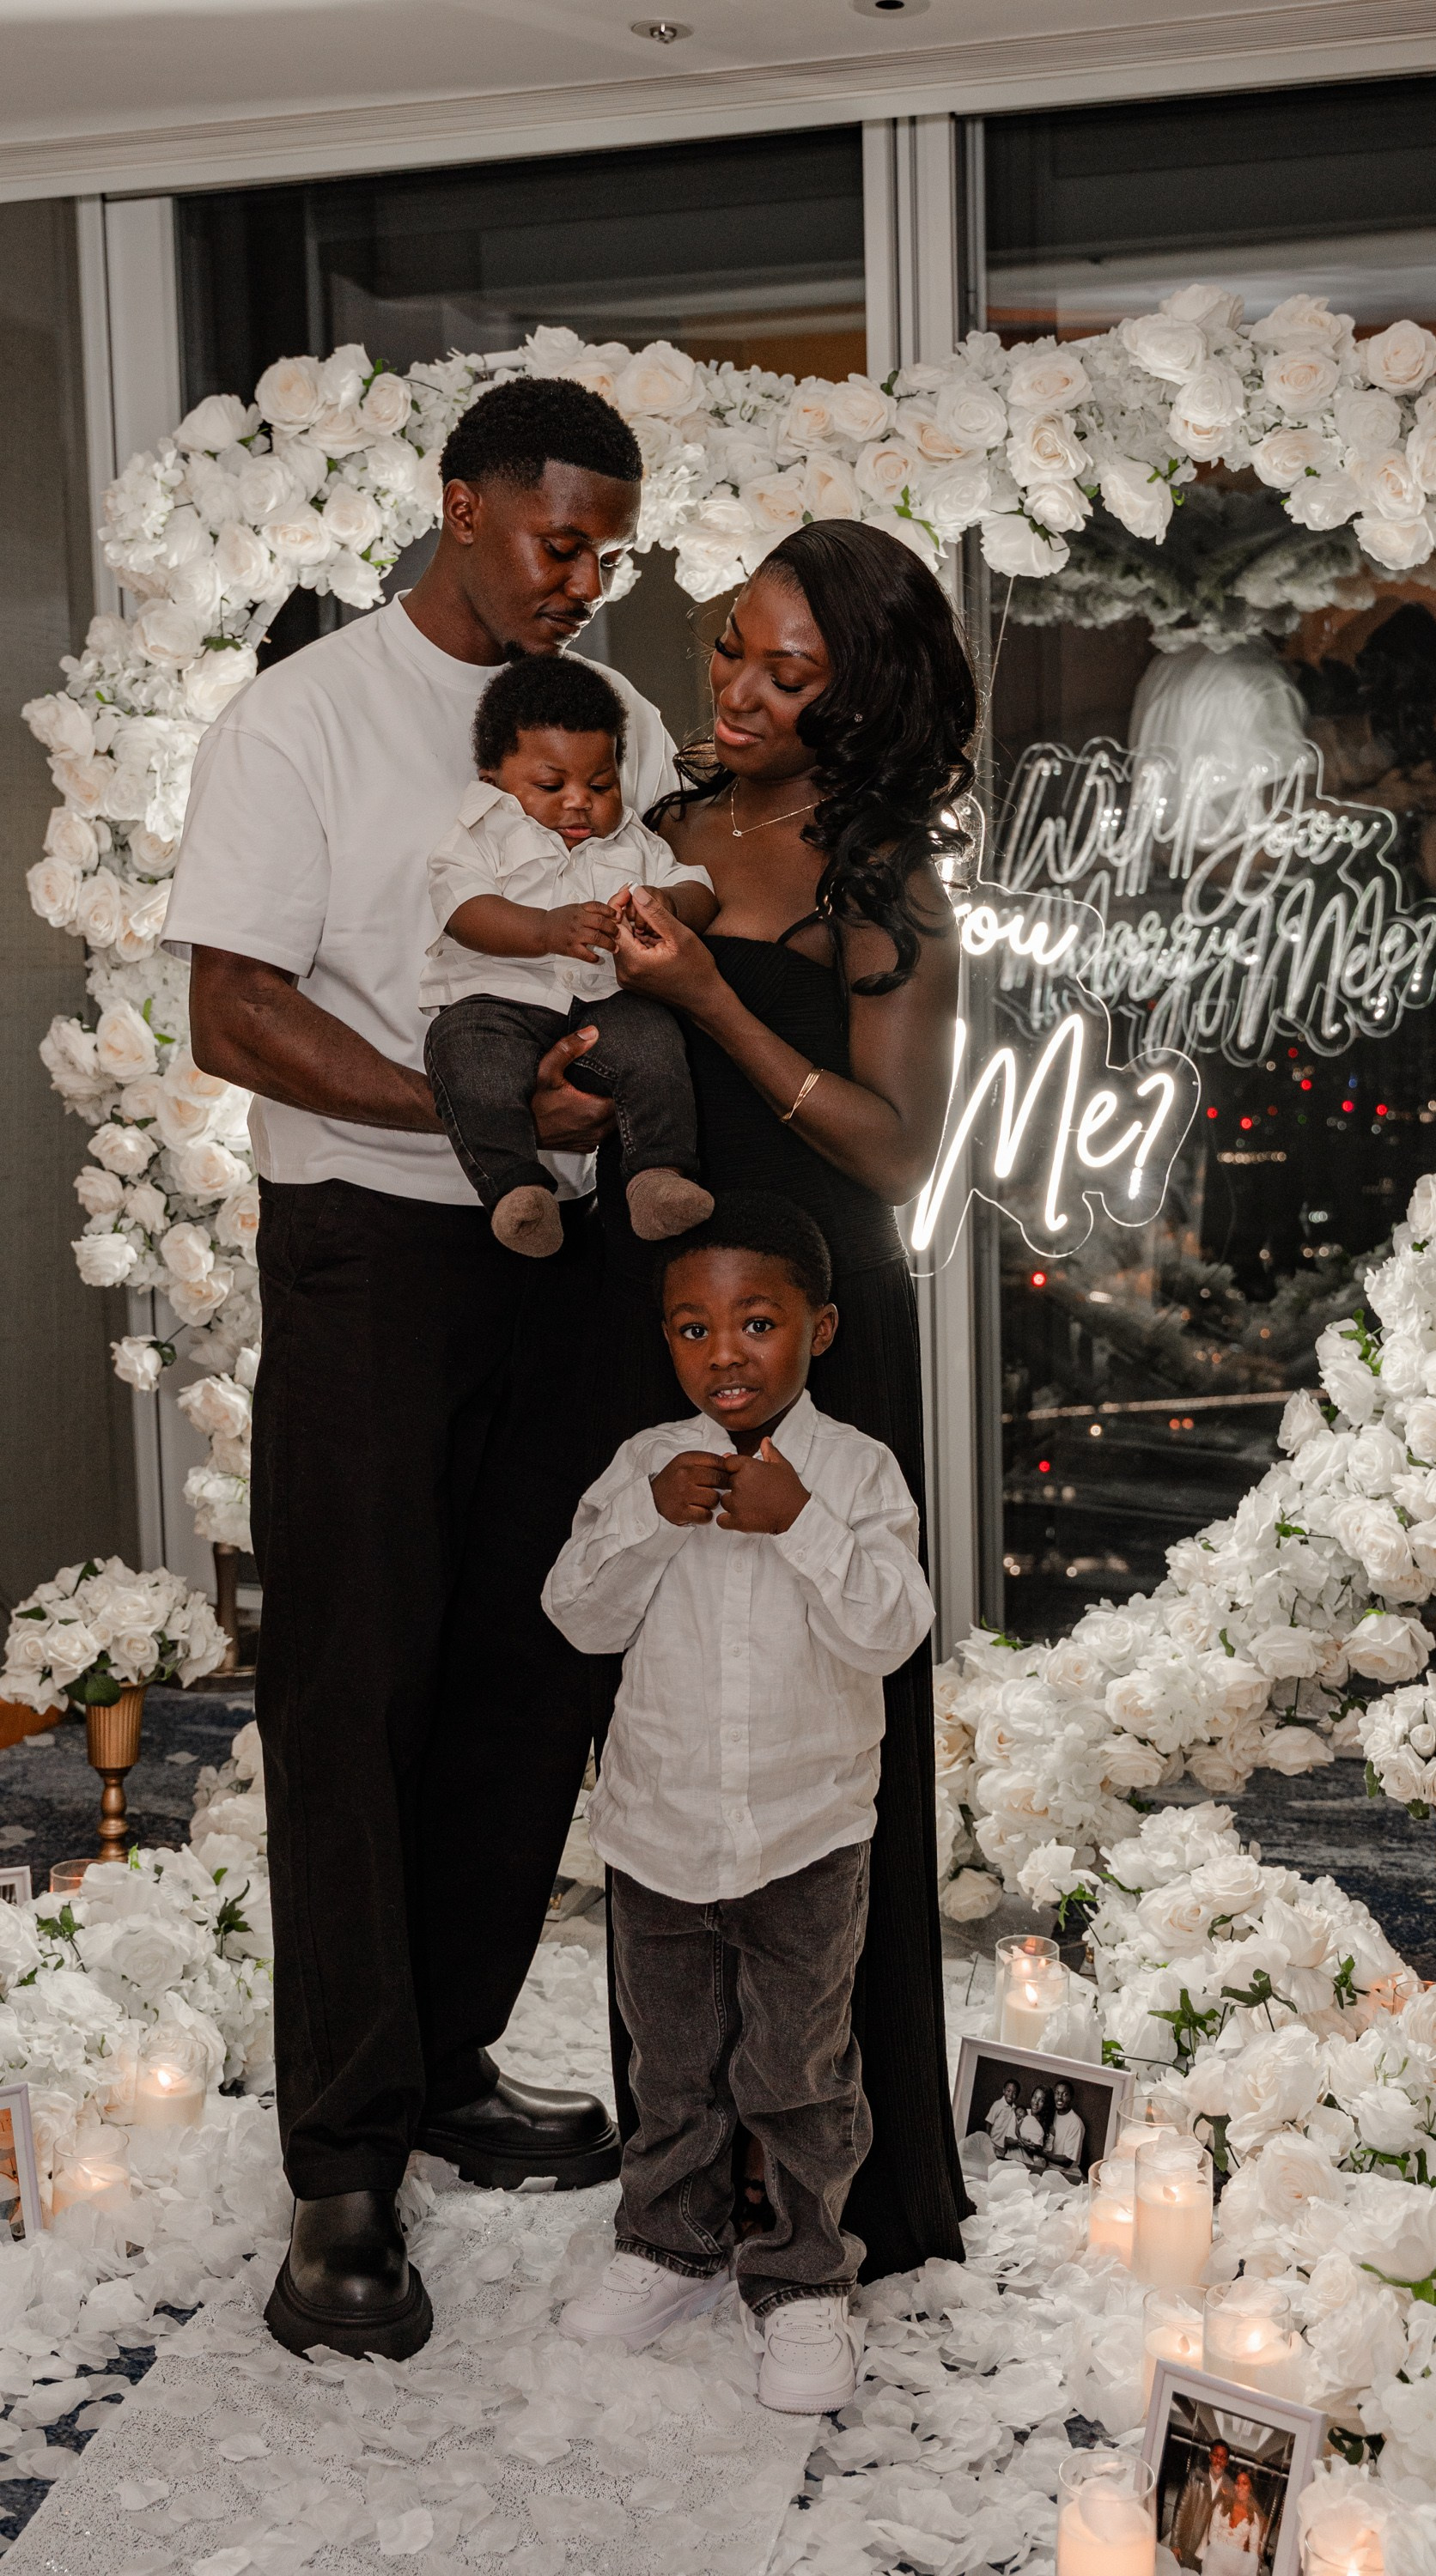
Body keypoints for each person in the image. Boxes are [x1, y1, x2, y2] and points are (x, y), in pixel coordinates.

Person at [166, 376, 680, 2361]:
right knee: (357, 1685)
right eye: (558, 539)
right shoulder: (296, 724)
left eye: (608, 550)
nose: (584, 578)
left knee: (526, 1665)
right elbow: (230, 1007)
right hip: (372, 1252)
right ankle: (342, 2172)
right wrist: (448, 1117)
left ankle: (448, 2050)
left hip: (562, 1257)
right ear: (457, 506)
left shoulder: (608, 719)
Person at [592, 517, 977, 2281]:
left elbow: (895, 1152)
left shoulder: (882, 875)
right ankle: (682, 2159)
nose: (734, 690)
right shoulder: (647, 825)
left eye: (786, 672)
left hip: (818, 1321)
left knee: (826, 1727)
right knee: (668, 1721)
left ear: (861, 697)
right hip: (649, 1314)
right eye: (730, 647)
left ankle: (839, 2173)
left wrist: (708, 1005)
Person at [544, 1194, 934, 2412]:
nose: (725, 1354)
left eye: (755, 1324)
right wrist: (655, 1523)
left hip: (806, 1833)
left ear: (817, 1331)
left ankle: (804, 2280)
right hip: (659, 1832)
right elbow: (577, 1614)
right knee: (673, 2068)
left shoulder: (855, 1473)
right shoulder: (638, 1469)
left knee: (800, 2072)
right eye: (693, 1328)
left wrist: (800, 1526)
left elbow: (889, 1631)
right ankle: (667, 2245)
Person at [421, 656, 718, 1255]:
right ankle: (515, 1189)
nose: (579, 802)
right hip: (501, 1001)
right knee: (464, 1055)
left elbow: (703, 891)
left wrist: (668, 902)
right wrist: (545, 930)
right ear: (495, 779)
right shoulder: (483, 832)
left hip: (606, 1004)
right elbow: (464, 909)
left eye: (600, 785)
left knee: (657, 1042)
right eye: (551, 786)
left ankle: (657, 1176)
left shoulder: (633, 839)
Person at [1171, 2439, 1236, 2569]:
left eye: (1223, 2458)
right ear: (1210, 2456)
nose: (1219, 2460)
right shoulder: (1195, 2476)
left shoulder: (1229, 2487)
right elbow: (1181, 2510)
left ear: (1227, 2462)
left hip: (1210, 2553)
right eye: (1216, 2455)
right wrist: (1175, 2543)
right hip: (1189, 2544)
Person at [1200, 2468, 1265, 2573]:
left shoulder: (1253, 2517)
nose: (1240, 2487)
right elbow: (1213, 2534)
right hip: (1214, 2561)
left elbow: (1253, 2551)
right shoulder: (1221, 2506)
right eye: (1237, 2483)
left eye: (1245, 2483)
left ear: (1250, 2487)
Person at [1044, 2080, 1086, 2178]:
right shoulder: (1051, 2114)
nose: (1059, 2098)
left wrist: (1042, 2153)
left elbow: (1067, 2161)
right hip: (1050, 2169)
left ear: (1071, 2097)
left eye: (1065, 2094)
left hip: (1067, 2174)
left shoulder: (1075, 2123)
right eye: (1057, 2093)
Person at [985, 2079, 1022, 2155]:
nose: (1011, 2095)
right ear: (1003, 2091)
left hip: (1003, 2147)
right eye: (1008, 2091)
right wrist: (987, 2140)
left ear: (1017, 2096)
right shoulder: (998, 2104)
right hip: (993, 2143)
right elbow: (989, 2122)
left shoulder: (1015, 2109)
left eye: (1014, 2093)